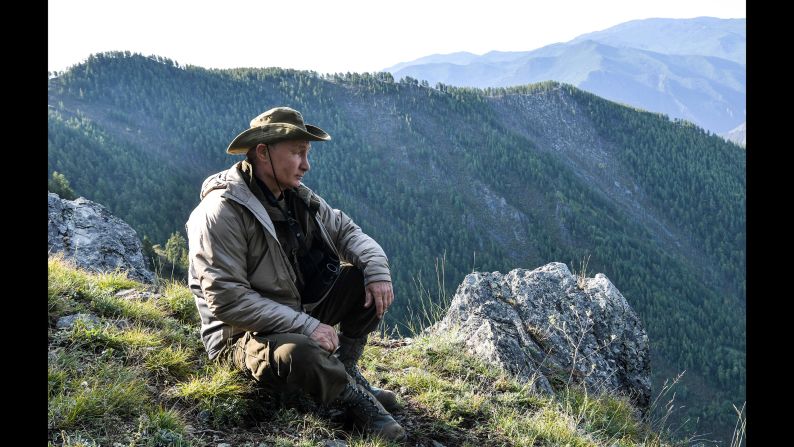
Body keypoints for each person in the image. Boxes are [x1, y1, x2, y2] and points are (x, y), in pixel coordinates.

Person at [185, 106, 406, 441]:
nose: (306, 165)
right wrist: (306, 325)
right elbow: (227, 299)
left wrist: (376, 271)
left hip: (295, 309)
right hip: (241, 336)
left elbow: (345, 230)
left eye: (307, 153)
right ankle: (354, 403)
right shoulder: (221, 212)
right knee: (297, 352)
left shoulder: (294, 198)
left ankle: (346, 373)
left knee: (362, 282)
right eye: (297, 153)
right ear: (263, 152)